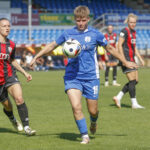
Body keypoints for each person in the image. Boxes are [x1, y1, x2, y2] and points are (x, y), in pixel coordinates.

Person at [30, 6, 137, 144]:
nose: (80, 23)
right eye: (78, 20)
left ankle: (93, 122)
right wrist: (36, 56)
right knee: (76, 107)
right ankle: (84, 135)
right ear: (75, 19)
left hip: (91, 77)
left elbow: (110, 48)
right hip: (72, 77)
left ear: (88, 19)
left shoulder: (95, 34)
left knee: (93, 111)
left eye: (83, 20)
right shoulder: (68, 33)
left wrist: (125, 62)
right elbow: (52, 45)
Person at [0, 18, 36, 135]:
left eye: (8, 26)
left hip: (10, 76)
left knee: (19, 99)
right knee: (8, 106)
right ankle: (13, 120)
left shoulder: (11, 44)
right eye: (4, 26)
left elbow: (12, 60)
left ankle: (27, 127)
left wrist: (25, 73)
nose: (7, 28)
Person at [113, 13, 145, 109]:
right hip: (126, 59)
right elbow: (119, 45)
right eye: (131, 22)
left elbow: (134, 48)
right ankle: (134, 103)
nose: (133, 24)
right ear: (128, 22)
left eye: (134, 22)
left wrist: (140, 58)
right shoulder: (124, 31)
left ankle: (118, 97)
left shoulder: (134, 32)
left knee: (135, 81)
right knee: (132, 80)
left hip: (132, 59)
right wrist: (123, 60)